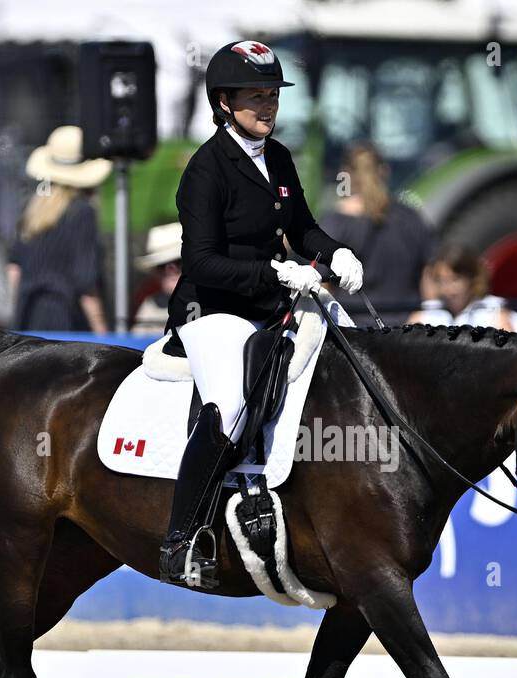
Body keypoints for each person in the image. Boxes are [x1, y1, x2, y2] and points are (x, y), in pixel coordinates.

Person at [159, 39, 363, 586]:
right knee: (227, 409)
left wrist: (332, 252)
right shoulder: (206, 169)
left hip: (273, 301)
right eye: (256, 96)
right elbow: (200, 262)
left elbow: (301, 230)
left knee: (353, 354)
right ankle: (182, 539)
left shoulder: (278, 156)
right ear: (224, 102)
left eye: (273, 95)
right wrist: (274, 274)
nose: (268, 106)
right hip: (214, 308)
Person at [8, 125, 111, 334]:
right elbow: (85, 281)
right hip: (65, 322)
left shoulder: (31, 208)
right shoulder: (82, 212)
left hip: (26, 319)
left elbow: (14, 271)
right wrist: (103, 333)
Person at [319, 143, 435, 317]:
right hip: (407, 326)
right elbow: (430, 273)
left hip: (351, 328)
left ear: (346, 174)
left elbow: (322, 284)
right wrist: (425, 315)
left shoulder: (334, 222)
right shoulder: (411, 217)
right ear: (385, 171)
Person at [408, 241, 517, 334]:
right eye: (442, 281)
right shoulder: (429, 315)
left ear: (471, 279)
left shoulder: (493, 312)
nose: (447, 290)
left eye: (455, 280)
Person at [132, 222, 183, 333]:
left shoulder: (213, 302)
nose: (170, 269)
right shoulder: (149, 307)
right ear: (154, 272)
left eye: (179, 262)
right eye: (161, 265)